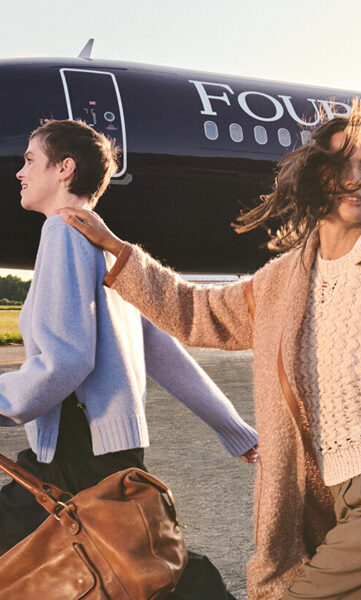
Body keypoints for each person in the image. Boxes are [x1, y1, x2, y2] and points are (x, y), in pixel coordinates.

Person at [63, 102, 361, 600]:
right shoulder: (283, 282)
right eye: (339, 167)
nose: (356, 180)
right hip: (330, 496)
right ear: (314, 179)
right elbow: (197, 312)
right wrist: (120, 253)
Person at [1, 119, 258, 600]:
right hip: (108, 450)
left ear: (65, 169)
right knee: (135, 563)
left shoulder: (62, 232)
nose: (21, 172)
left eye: (30, 160)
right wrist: (232, 427)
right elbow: (160, 348)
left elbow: (66, 361)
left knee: (134, 567)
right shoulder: (104, 244)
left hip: (76, 450)